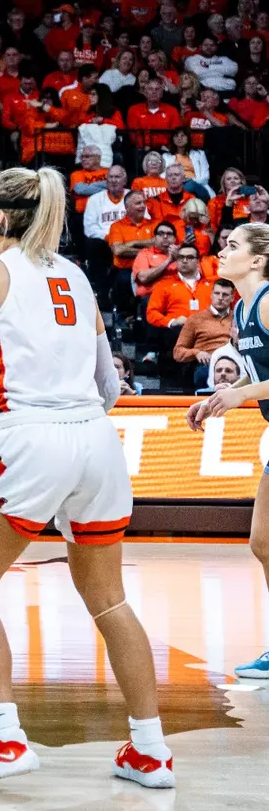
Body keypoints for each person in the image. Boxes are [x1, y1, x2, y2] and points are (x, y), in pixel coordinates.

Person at [0, 167, 172, 789]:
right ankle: (151, 751)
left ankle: (4, 740)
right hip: (98, 440)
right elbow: (110, 384)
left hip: (34, 439)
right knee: (110, 599)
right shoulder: (77, 275)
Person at [187, 225, 269, 681]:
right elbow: (257, 371)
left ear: (257, 260)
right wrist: (221, 394)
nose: (223, 250)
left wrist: (241, 396)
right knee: (264, 543)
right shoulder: (241, 307)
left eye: (234, 245)